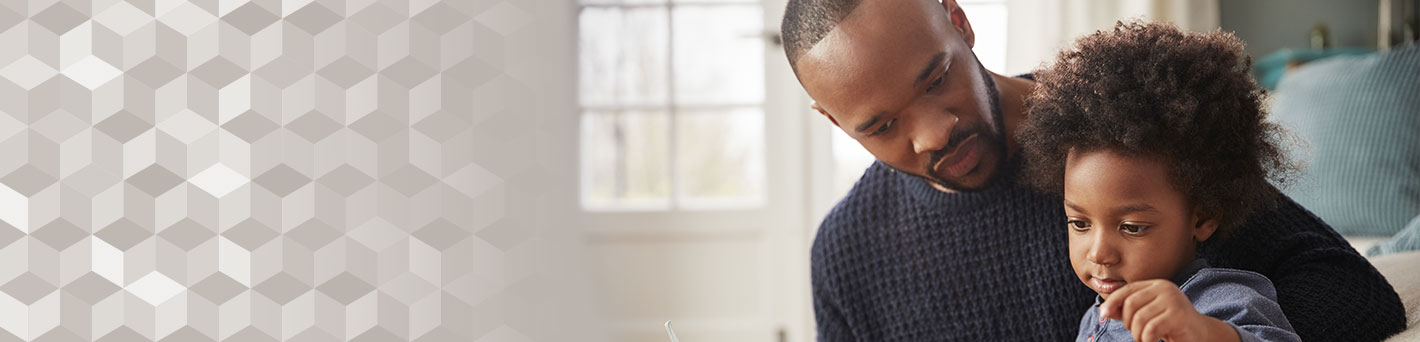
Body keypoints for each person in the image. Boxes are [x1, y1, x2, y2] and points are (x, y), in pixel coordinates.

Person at [778, 0, 1408, 340]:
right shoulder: (846, 254)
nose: (933, 130)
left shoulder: (1116, 135)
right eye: (881, 127)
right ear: (835, 123)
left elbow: (1356, 292)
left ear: (959, 22)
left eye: (936, 78)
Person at [1018, 21, 1302, 342]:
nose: (1099, 253)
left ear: (1204, 217)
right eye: (1080, 223)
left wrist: (1206, 333)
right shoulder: (1095, 319)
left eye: (1133, 227)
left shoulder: (1217, 301)